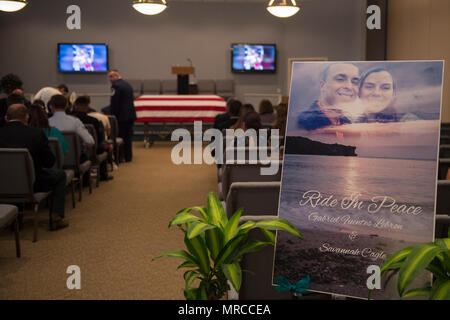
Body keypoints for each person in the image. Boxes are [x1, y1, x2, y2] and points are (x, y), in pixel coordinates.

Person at [0, 104, 68, 230]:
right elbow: (49, 162)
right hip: (33, 184)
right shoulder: (36, 134)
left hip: (2, 184)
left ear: (6, 118)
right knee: (60, 175)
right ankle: (56, 218)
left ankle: (15, 220)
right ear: (27, 118)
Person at [297, 63, 359, 131]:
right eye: (340, 79)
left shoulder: (347, 122)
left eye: (355, 82)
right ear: (322, 86)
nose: (349, 87)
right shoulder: (305, 122)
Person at [72, 95, 111, 181]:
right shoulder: (94, 121)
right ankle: (104, 174)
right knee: (107, 146)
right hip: (93, 150)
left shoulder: (71, 120)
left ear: (75, 106)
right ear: (87, 107)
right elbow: (101, 139)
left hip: (72, 151)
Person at [48, 94, 94, 159]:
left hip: (53, 162)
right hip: (74, 160)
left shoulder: (46, 123)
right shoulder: (75, 121)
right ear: (66, 106)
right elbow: (90, 141)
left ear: (50, 106)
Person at [107, 69, 137, 162]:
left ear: (116, 76)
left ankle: (119, 158)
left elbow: (115, 104)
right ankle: (128, 157)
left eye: (111, 76)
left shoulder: (116, 86)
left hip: (121, 117)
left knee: (120, 137)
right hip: (130, 116)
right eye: (109, 77)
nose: (110, 79)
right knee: (128, 138)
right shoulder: (127, 85)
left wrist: (112, 116)